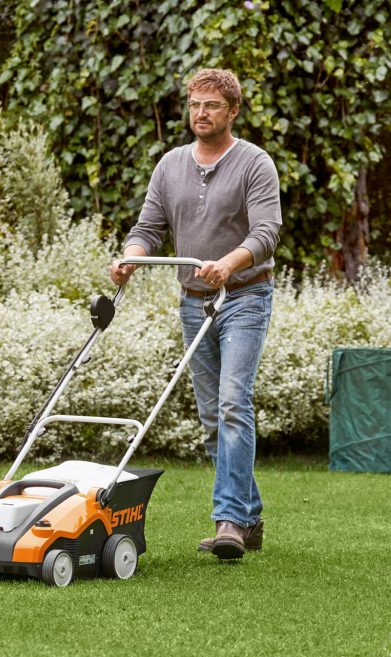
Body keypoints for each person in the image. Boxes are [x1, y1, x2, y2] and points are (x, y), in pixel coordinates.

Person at [109, 68, 281, 560]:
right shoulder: (170, 166)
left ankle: (229, 522)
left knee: (232, 403)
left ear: (233, 111)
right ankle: (249, 516)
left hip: (245, 297)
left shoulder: (255, 163)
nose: (200, 113)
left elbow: (266, 233)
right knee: (211, 417)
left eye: (211, 105)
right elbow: (148, 228)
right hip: (194, 302)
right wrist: (130, 259)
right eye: (194, 104)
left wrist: (229, 263)